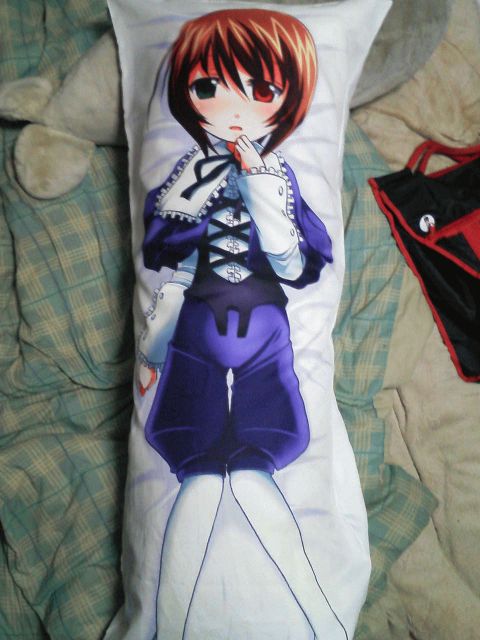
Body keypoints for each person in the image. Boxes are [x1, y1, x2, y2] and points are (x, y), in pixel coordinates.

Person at [138, 9, 347, 639]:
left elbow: (299, 264)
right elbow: (163, 251)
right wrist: (154, 345)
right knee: (200, 474)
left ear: (287, 100)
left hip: (262, 334)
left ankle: (320, 619)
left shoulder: (278, 177)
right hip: (198, 330)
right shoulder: (188, 175)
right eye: (209, 87)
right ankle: (165, 627)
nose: (233, 108)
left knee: (253, 470)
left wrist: (262, 193)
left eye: (260, 90)